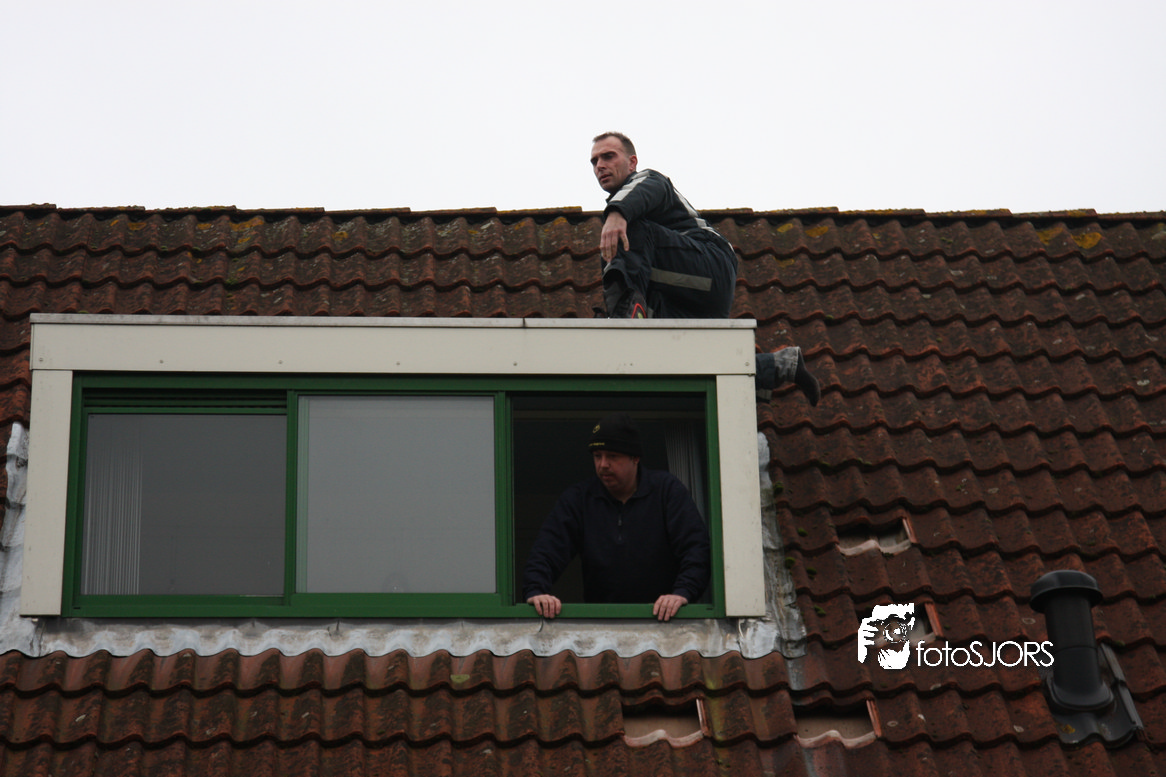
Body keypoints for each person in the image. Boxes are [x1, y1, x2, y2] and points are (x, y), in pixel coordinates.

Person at [590, 131, 820, 405]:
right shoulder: (629, 222)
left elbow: (653, 185)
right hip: (684, 296)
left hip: (709, 263)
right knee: (682, 365)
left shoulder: (647, 181)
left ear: (632, 162)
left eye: (608, 156)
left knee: (626, 235)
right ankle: (781, 366)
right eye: (594, 161)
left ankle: (625, 321)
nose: (600, 165)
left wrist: (617, 213)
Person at [523, 413, 711, 622]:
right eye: (597, 456)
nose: (603, 464)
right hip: (601, 626)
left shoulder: (667, 491)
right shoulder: (579, 499)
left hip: (666, 623)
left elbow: (696, 549)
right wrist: (536, 590)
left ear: (635, 458)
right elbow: (546, 551)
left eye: (612, 456)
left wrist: (682, 593)